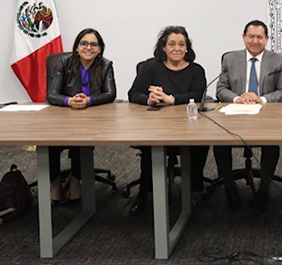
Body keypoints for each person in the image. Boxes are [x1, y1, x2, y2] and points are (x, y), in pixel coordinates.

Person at [127, 26, 208, 216]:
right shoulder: (150, 67)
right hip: (156, 127)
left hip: (188, 126)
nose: (177, 48)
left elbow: (199, 95)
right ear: (163, 47)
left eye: (181, 44)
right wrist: (148, 99)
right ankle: (145, 192)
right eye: (171, 44)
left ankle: (193, 189)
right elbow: (133, 93)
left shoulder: (196, 70)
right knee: (151, 148)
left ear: (187, 48)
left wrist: (172, 99)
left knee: (202, 143)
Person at [215, 20, 282, 212]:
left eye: (259, 37)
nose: (255, 41)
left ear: (267, 39)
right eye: (251, 37)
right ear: (243, 37)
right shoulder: (230, 59)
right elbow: (221, 89)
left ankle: (264, 189)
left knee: (271, 142)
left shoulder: (278, 61)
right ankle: (230, 188)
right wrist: (238, 98)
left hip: (265, 115)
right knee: (219, 142)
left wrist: (261, 99)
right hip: (235, 113)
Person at [46, 28, 116, 204]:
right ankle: (55, 183)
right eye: (84, 43)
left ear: (99, 49)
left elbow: (110, 94)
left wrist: (89, 100)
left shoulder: (105, 65)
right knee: (49, 143)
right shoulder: (63, 63)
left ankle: (76, 181)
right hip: (64, 117)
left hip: (92, 118)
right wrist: (69, 101)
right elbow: (52, 95)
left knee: (81, 141)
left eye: (93, 44)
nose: (88, 48)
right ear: (77, 47)